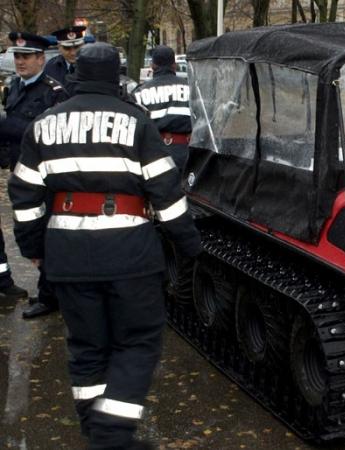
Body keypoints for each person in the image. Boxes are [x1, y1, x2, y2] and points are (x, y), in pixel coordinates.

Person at [9, 42, 201, 449]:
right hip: (129, 254)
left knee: (87, 349)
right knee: (138, 342)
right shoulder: (137, 123)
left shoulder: (43, 124)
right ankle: (111, 434)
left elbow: (24, 197)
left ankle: (94, 429)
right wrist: (189, 245)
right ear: (117, 77)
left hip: (67, 255)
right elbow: (166, 195)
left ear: (76, 75)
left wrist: (34, 249)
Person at [0, 32, 67, 305]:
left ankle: (51, 294)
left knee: (46, 230)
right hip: (21, 172)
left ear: (41, 59)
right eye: (17, 56)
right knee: (28, 229)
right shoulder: (14, 86)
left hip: (46, 175)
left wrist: (5, 126)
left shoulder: (54, 91)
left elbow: (49, 134)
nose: (20, 61)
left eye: (26, 56)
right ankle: (49, 291)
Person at [133, 45, 190, 170]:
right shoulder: (190, 88)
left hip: (154, 155)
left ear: (152, 66)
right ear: (174, 65)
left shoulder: (139, 92)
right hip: (187, 153)